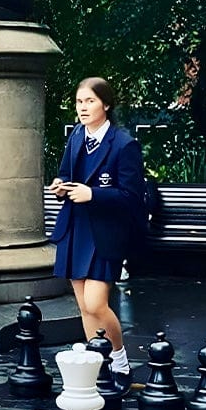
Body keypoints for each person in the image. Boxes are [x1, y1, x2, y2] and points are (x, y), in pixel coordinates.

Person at [49, 77, 147, 391]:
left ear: (106, 104)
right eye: (79, 102)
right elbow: (67, 173)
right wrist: (60, 186)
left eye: (89, 101)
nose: (83, 108)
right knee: (83, 306)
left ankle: (119, 361)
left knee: (96, 304)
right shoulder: (77, 136)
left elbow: (132, 197)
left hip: (105, 232)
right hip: (75, 227)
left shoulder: (123, 144)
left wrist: (93, 195)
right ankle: (98, 366)